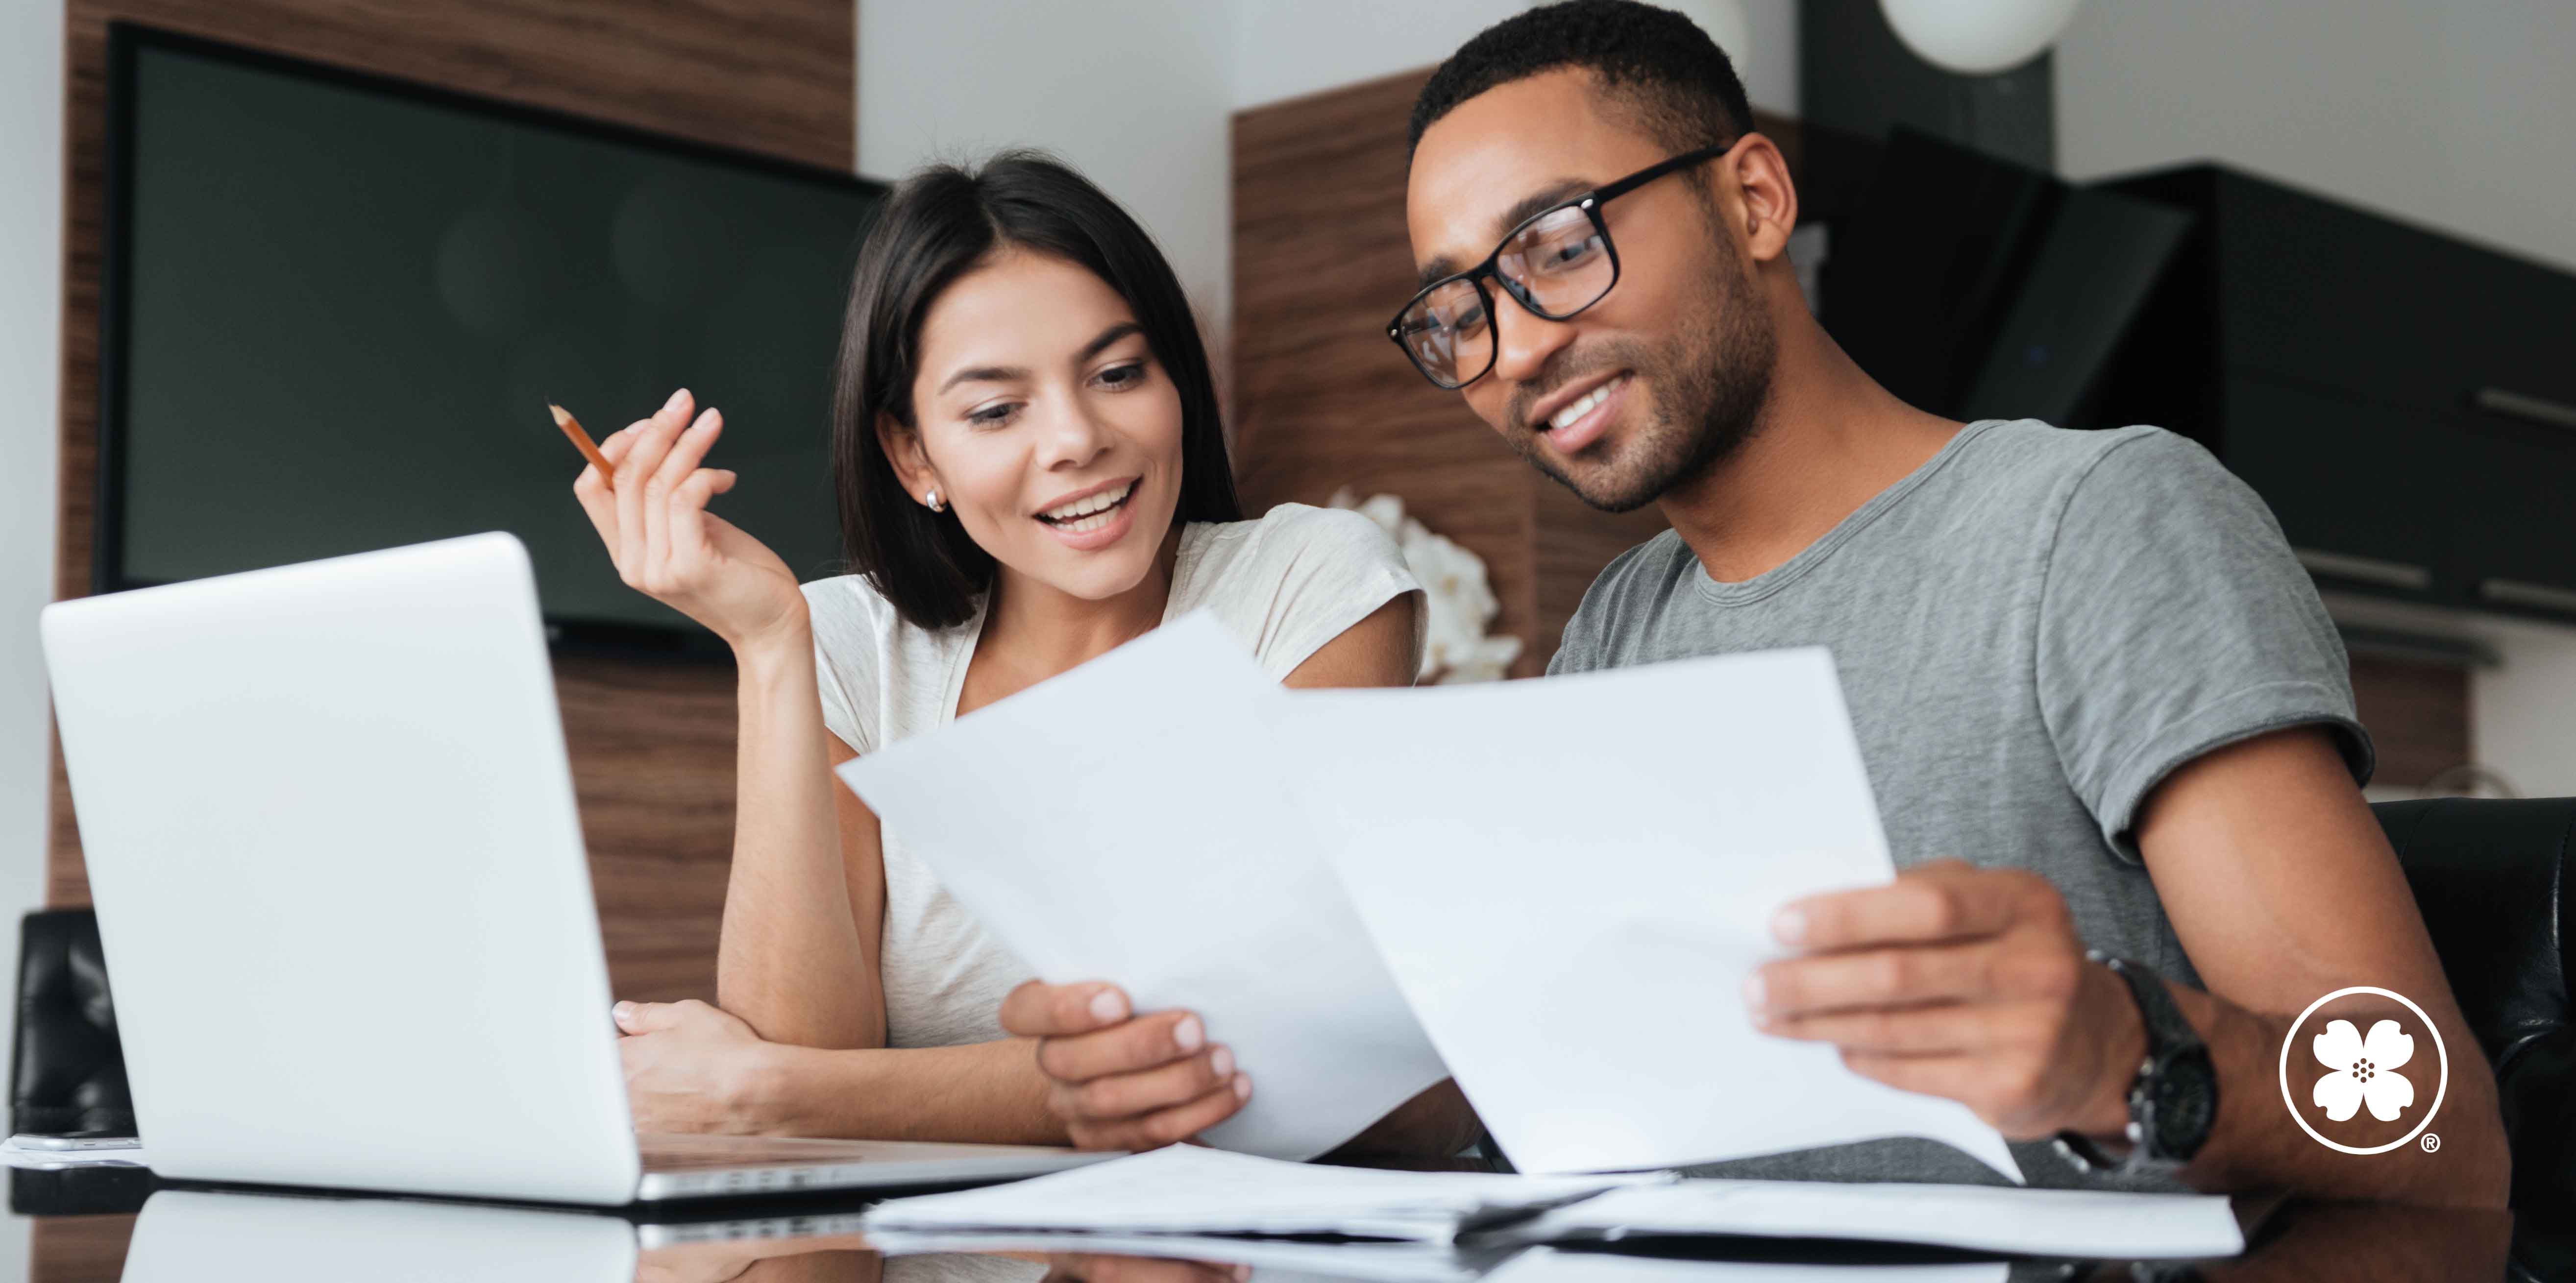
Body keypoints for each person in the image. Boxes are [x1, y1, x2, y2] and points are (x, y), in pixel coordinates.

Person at [1001, 1, 2509, 1204]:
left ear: (1754, 196)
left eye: (1555, 248)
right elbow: (1561, 1096)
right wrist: (1210, 1070)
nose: (1513, 348)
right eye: (1458, 313)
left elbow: (2428, 1119)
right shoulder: (1618, 624)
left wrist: (2129, 1053)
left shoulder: (2096, 522)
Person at [574, 152, 1463, 1153]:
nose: (1076, 437)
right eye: (997, 410)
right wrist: (770, 645)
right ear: (914, 455)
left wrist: (773, 1091)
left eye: (1118, 373)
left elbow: (1254, 1050)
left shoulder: (1307, 586)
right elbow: (801, 1079)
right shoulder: (850, 641)